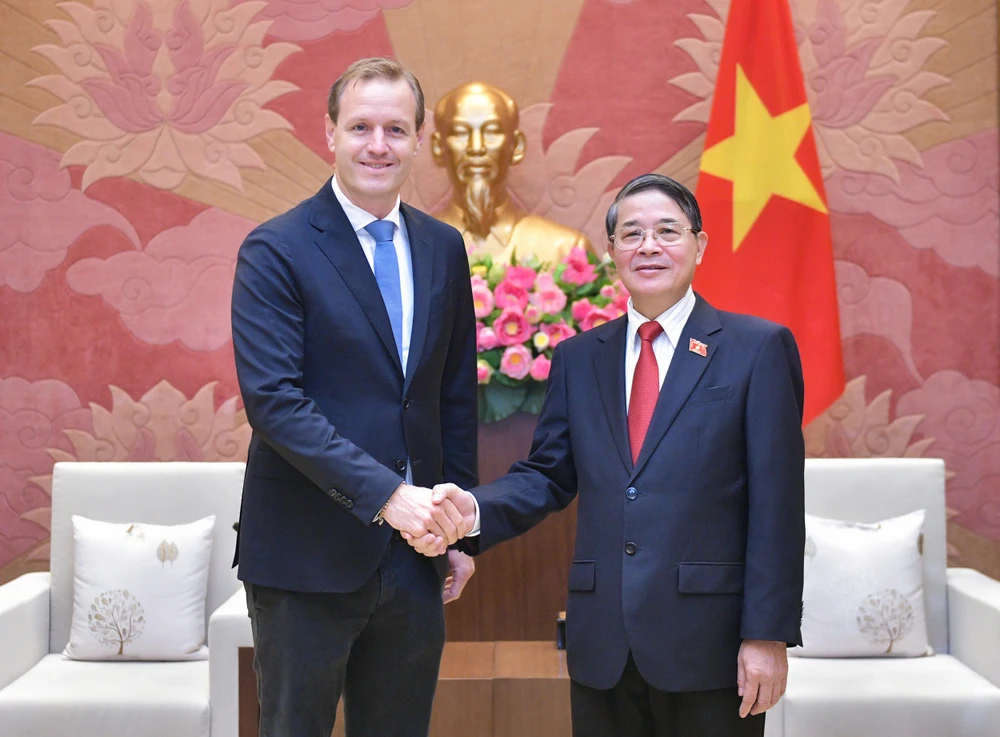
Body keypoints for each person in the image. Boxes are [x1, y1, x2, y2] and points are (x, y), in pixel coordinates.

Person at [414, 173, 805, 736]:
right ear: (612, 251)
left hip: (711, 644)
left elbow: (778, 505)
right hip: (603, 643)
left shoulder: (756, 349)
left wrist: (766, 634)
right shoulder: (579, 358)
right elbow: (548, 473)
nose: (649, 246)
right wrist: (469, 512)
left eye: (668, 231)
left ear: (700, 245)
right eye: (632, 233)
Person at [230, 57, 479, 737]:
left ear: (420, 139)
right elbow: (275, 403)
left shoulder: (443, 247)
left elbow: (453, 394)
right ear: (330, 134)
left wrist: (461, 529)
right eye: (361, 125)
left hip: (416, 558)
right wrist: (388, 496)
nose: (378, 144)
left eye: (395, 129)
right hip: (304, 559)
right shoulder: (276, 249)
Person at [431, 81, 593, 265]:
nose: (476, 148)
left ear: (516, 146)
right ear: (437, 148)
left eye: (492, 132)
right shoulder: (410, 250)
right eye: (460, 133)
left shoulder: (565, 250)